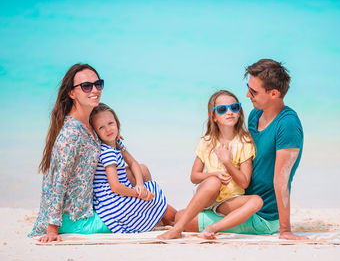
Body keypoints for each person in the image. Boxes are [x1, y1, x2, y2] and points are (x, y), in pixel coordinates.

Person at [198, 59, 307, 240]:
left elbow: (282, 180)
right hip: (237, 201)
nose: (248, 95)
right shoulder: (255, 115)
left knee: (179, 218)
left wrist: (285, 230)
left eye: (254, 92)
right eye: (249, 88)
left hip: (262, 214)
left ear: (274, 93)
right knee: (182, 213)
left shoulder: (287, 124)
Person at [159, 90, 263, 240]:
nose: (229, 112)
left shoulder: (245, 142)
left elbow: (244, 182)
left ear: (239, 112)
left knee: (256, 201)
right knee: (213, 182)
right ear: (214, 117)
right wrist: (213, 174)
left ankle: (212, 228)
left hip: (229, 202)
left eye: (234, 107)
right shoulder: (207, 142)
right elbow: (194, 177)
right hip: (208, 198)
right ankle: (178, 229)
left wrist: (227, 162)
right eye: (222, 109)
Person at [29, 64, 111, 241]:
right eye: (87, 86)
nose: (95, 90)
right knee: (154, 212)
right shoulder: (71, 134)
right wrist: (52, 229)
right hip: (72, 220)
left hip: (88, 209)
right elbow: (59, 181)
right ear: (72, 93)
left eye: (98, 84)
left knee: (146, 185)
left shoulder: (89, 126)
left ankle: (178, 221)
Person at [89, 103, 176, 233]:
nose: (108, 130)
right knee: (166, 210)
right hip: (113, 202)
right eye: (101, 127)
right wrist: (138, 194)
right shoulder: (107, 152)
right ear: (95, 133)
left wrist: (140, 185)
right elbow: (115, 187)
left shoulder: (116, 143)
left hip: (117, 195)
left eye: (111, 123)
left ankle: (162, 222)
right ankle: (178, 222)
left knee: (152, 194)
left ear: (117, 124)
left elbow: (133, 163)